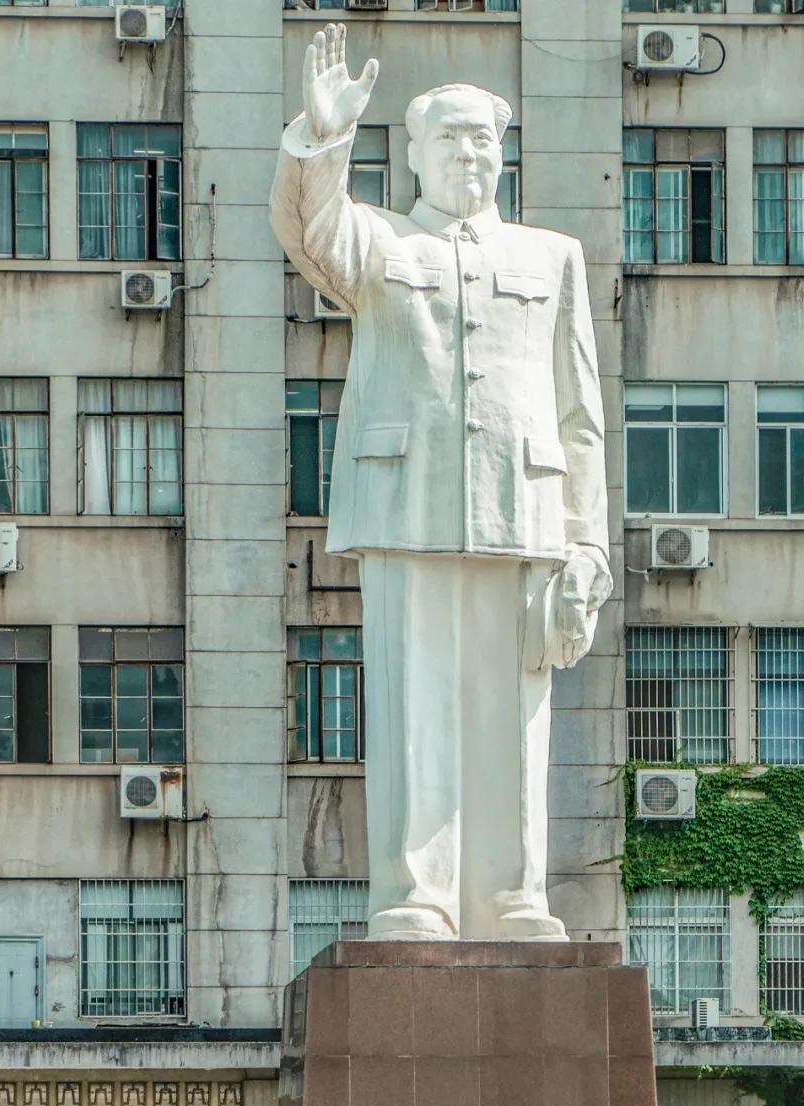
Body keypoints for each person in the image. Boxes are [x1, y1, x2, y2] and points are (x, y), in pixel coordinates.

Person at [270, 28, 611, 944]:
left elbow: (581, 413)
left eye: (485, 139)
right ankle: (415, 894)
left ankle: (512, 895)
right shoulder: (377, 242)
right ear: (414, 155)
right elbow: (312, 230)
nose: (471, 154)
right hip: (409, 505)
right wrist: (321, 137)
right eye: (452, 139)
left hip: (525, 511)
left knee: (514, 716)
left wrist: (589, 546)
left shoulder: (552, 257)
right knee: (417, 708)